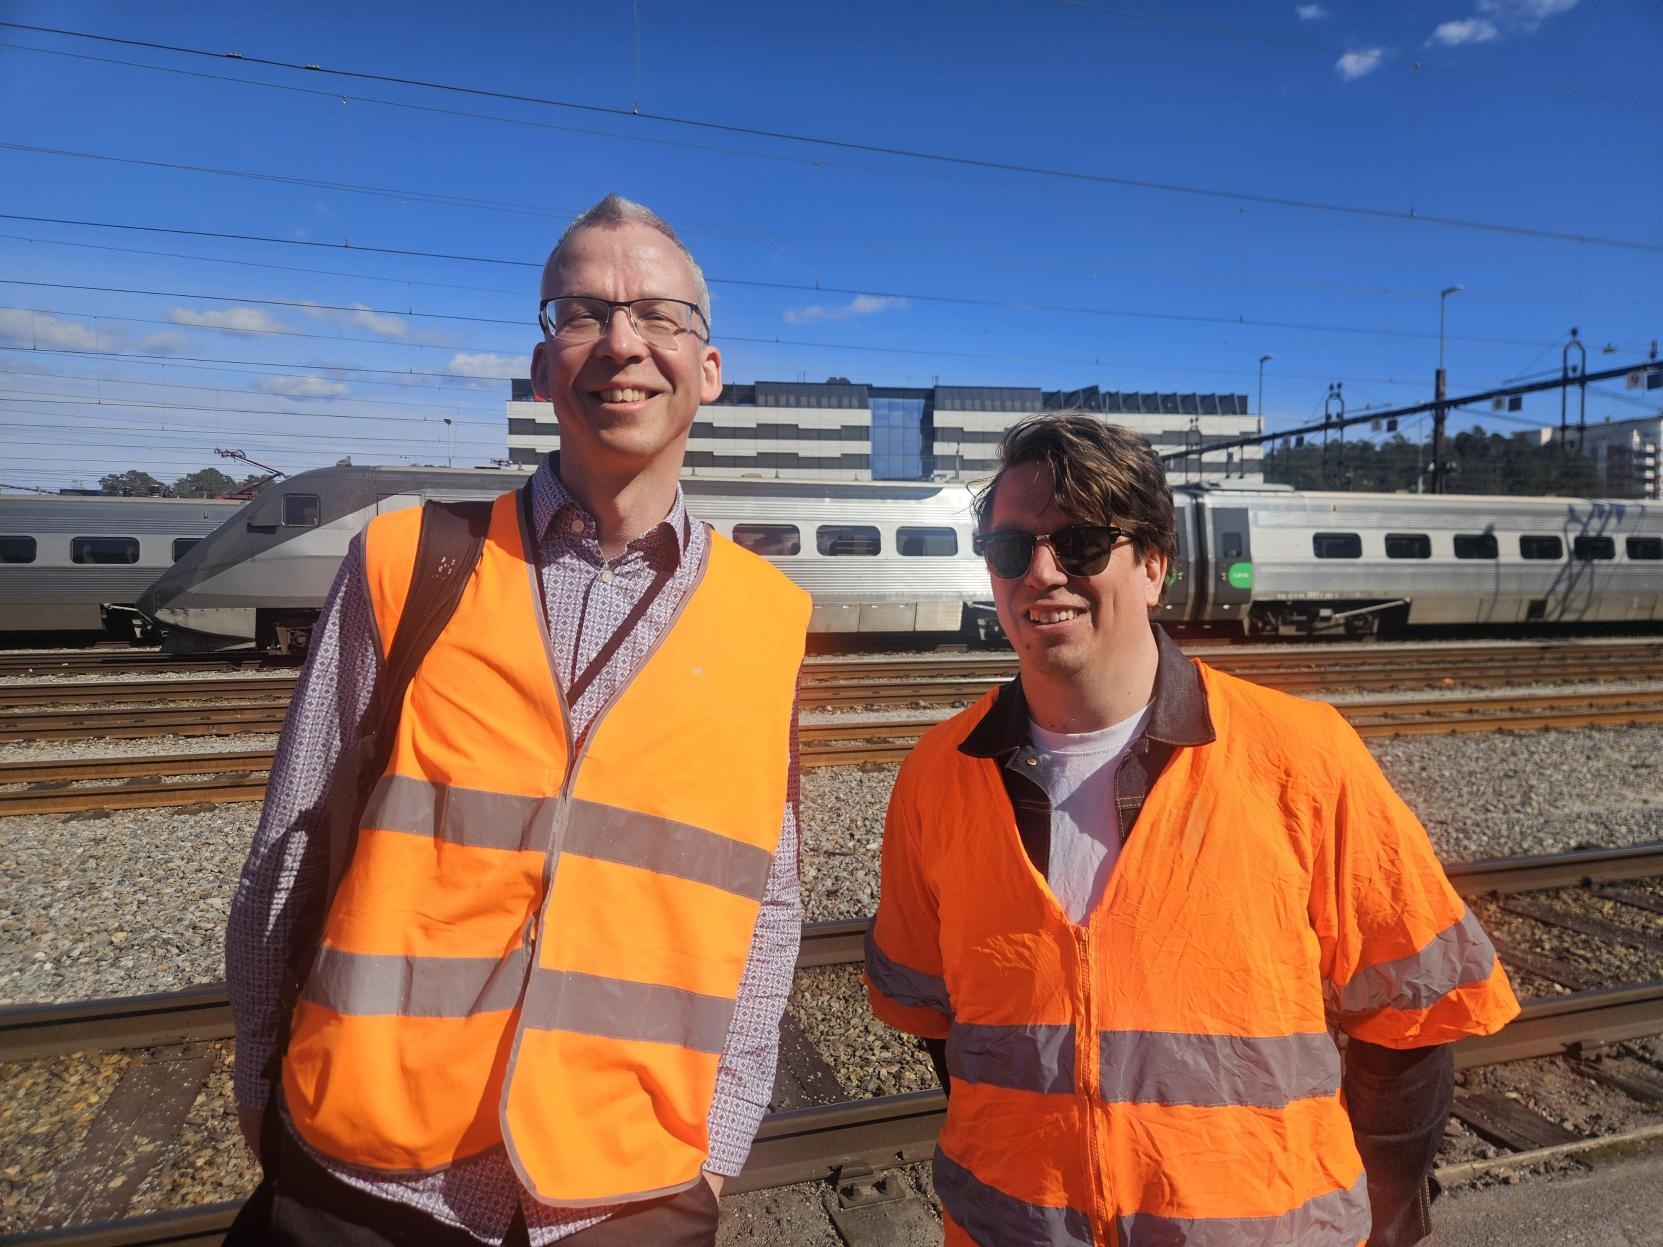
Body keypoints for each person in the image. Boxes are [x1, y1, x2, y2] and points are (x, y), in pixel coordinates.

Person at [227, 194, 810, 1247]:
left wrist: (717, 1145)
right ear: (544, 369)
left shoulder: (771, 617)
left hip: (626, 1183)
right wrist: (263, 1075)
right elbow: (291, 844)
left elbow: (765, 901)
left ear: (708, 369)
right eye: (581, 313)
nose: (623, 342)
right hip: (371, 1173)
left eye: (659, 315)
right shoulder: (409, 563)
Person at [865, 413, 1519, 1247]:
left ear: (1152, 566)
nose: (1039, 573)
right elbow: (934, 1022)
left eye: (1080, 544)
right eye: (1008, 550)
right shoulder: (937, 771)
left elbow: (1412, 1020)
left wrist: (1387, 1224)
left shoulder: (1299, 754)